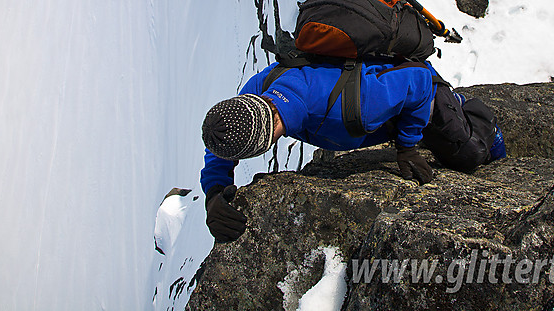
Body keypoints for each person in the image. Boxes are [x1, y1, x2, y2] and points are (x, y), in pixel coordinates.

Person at [200, 58, 506, 243]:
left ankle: (468, 109)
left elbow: (418, 80)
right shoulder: (259, 90)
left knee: (470, 154)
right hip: (382, 87)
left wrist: (408, 145)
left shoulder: (349, 106)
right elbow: (225, 134)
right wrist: (214, 191)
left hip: (419, 87)